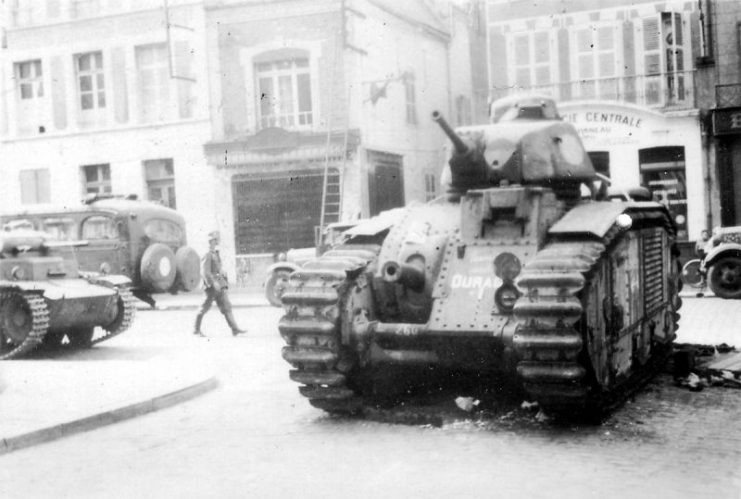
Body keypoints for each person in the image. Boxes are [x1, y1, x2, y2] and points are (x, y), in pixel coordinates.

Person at [193, 231, 247, 337]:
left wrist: (222, 278)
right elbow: (205, 272)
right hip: (210, 287)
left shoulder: (215, 253)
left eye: (214, 241)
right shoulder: (207, 254)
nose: (214, 243)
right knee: (204, 307)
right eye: (212, 241)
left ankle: (234, 329)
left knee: (226, 305)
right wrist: (213, 283)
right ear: (209, 242)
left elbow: (217, 269)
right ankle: (196, 329)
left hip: (218, 284)